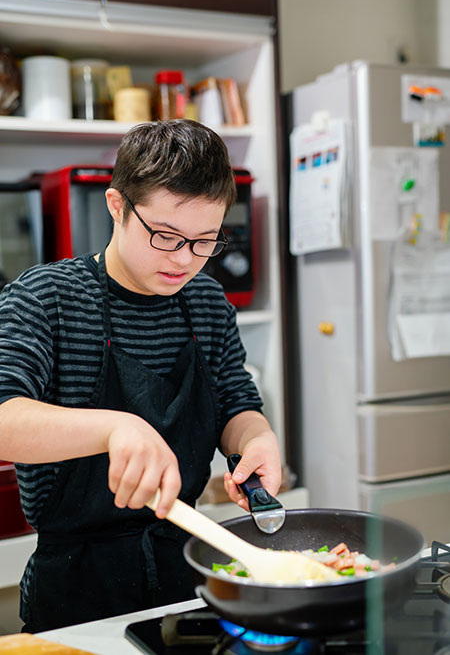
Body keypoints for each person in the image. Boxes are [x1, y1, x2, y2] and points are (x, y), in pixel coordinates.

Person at [0, 119, 282, 632]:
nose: (183, 260)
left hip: (187, 586)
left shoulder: (207, 302)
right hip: (74, 598)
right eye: (164, 235)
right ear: (117, 206)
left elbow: (235, 401)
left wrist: (256, 438)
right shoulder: (47, 298)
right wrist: (115, 428)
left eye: (204, 241)